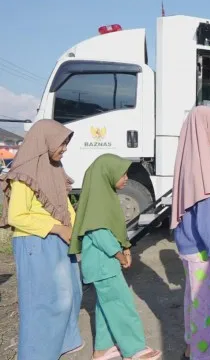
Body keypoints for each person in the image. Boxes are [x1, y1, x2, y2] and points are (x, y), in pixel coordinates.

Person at [0, 120, 83, 359]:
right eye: (62, 143)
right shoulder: (25, 174)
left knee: (69, 295)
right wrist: (57, 228)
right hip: (35, 242)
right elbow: (17, 216)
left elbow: (65, 205)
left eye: (66, 143)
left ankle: (61, 343)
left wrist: (75, 228)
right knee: (43, 301)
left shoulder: (53, 169)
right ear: (44, 141)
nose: (65, 148)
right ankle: (35, 354)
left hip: (57, 240)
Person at [69, 154, 161, 360]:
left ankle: (102, 348)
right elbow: (101, 234)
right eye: (123, 173)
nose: (127, 177)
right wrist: (120, 255)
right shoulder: (98, 202)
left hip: (102, 265)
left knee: (106, 305)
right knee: (121, 304)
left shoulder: (102, 196)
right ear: (107, 173)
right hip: (104, 265)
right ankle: (135, 349)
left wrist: (124, 250)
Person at [171, 106, 210, 360]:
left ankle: (191, 347)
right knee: (203, 306)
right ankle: (201, 354)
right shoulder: (204, 169)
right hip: (201, 250)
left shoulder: (189, 159)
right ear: (204, 128)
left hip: (187, 246)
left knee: (192, 301)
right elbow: (208, 221)